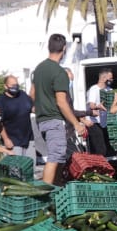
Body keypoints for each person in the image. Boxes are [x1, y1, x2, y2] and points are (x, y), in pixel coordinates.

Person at [33, 34, 86, 184]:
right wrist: (76, 124)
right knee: (55, 157)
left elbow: (32, 94)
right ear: (64, 49)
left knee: (59, 156)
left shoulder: (39, 69)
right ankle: (46, 194)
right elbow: (62, 102)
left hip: (41, 120)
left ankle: (56, 188)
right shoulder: (59, 72)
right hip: (54, 120)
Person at [0, 75, 34, 156]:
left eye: (16, 85)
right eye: (12, 85)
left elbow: (32, 108)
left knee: (29, 166)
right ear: (5, 86)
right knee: (15, 168)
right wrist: (6, 139)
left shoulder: (22, 94)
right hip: (13, 141)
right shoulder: (1, 102)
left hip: (29, 139)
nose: (15, 87)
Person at [86, 69, 116, 157]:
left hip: (105, 122)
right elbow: (91, 105)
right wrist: (98, 106)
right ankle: (99, 168)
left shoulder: (109, 89)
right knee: (100, 148)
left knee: (108, 146)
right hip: (94, 122)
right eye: (110, 78)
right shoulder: (93, 89)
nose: (112, 80)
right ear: (103, 78)